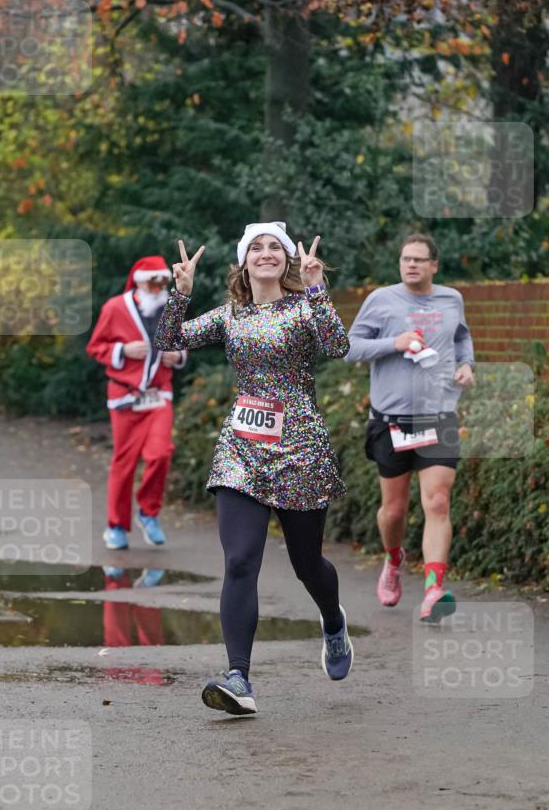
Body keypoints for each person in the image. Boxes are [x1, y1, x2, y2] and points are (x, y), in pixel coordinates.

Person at [154, 223, 353, 715]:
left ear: (287, 261)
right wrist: (179, 293)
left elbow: (338, 346)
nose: (266, 254)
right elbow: (169, 339)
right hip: (241, 448)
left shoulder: (306, 307)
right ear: (244, 263)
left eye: (275, 248)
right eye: (256, 248)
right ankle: (238, 676)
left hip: (301, 448)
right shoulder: (230, 315)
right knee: (240, 561)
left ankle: (332, 620)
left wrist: (317, 287)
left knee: (308, 564)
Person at [345, 233, 475, 623]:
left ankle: (434, 589)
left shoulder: (452, 299)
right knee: (394, 511)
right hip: (391, 421)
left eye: (420, 259)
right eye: (406, 259)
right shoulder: (381, 300)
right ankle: (394, 558)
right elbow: (350, 347)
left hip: (439, 415)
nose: (412, 265)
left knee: (437, 501)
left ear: (435, 265)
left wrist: (467, 366)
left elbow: (462, 339)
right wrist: (395, 343)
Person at [87, 256, 187, 550]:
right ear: (139, 282)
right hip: (125, 396)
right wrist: (122, 350)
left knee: (160, 453)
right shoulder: (115, 307)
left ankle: (148, 512)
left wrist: (178, 356)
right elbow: (95, 346)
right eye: (152, 282)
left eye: (163, 282)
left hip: (159, 393)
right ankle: (116, 526)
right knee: (125, 462)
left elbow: (182, 342)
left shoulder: (172, 308)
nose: (158, 288)